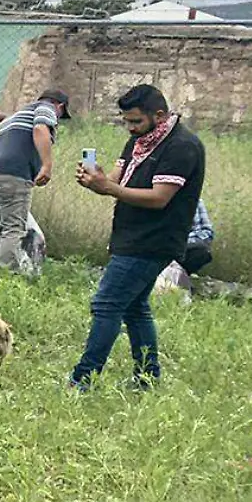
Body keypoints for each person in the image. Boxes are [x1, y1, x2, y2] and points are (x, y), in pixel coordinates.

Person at [70, 84, 207, 391]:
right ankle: (147, 378)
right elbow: (116, 181)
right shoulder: (141, 141)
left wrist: (108, 188)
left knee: (106, 304)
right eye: (126, 121)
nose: (130, 128)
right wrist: (97, 180)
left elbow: (160, 197)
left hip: (154, 239)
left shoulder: (181, 146)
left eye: (136, 121)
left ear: (159, 115)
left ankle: (82, 381)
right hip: (131, 236)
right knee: (134, 307)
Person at [0, 89, 71, 273]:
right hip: (15, 173)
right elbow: (40, 128)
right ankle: (7, 277)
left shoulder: (13, 117)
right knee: (14, 228)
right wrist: (47, 165)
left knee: (0, 228)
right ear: (60, 106)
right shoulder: (47, 108)